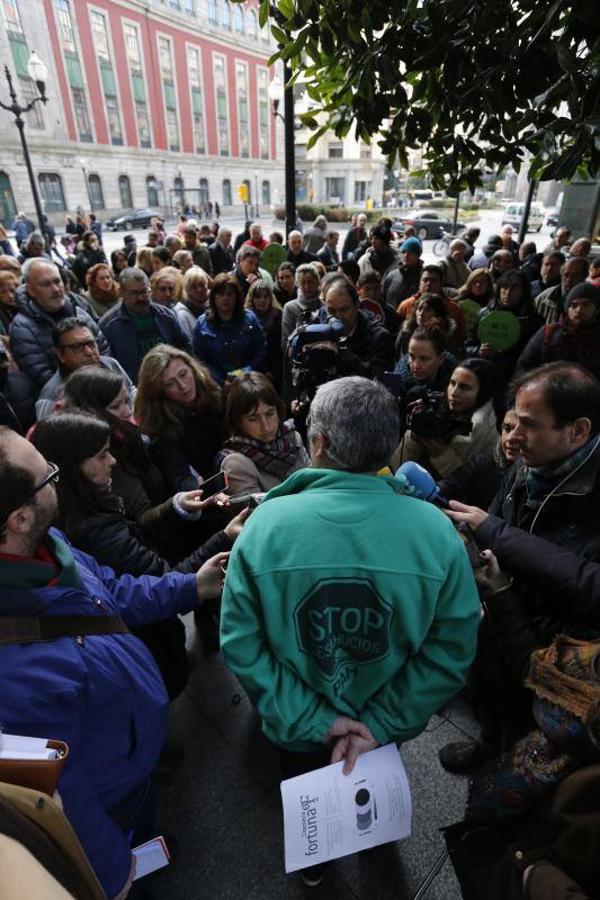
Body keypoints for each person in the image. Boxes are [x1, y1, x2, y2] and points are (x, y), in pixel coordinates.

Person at [220, 376, 480, 883]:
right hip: (382, 721)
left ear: (317, 444)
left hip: (296, 723)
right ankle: (374, 840)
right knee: (371, 785)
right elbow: (450, 652)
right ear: (388, 445)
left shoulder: (265, 528)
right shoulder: (436, 532)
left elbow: (241, 644)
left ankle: (316, 865)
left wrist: (313, 719)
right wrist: (381, 722)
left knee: (306, 792)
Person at [0, 425, 227, 898]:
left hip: (133, 759)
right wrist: (109, 872)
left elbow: (111, 591)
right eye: (49, 475)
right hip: (112, 793)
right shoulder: (12, 675)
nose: (56, 481)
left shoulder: (49, 545)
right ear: (20, 517)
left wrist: (190, 587)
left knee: (147, 832)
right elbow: (62, 795)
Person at [439, 361, 600, 773]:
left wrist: (494, 533)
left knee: (529, 750)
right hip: (497, 620)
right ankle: (487, 746)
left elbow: (590, 587)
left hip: (550, 655)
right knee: (486, 696)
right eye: (512, 422)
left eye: (528, 424)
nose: (514, 436)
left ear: (577, 431)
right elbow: (496, 518)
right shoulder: (531, 462)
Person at [30, 412, 244, 698]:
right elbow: (167, 580)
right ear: (73, 467)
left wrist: (174, 507)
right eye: (102, 455)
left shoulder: (82, 506)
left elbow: (135, 534)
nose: (113, 461)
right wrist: (225, 538)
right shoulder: (95, 532)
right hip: (150, 642)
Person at [134, 344, 226, 491]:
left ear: (192, 368)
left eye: (183, 374)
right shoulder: (162, 428)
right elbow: (178, 475)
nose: (183, 386)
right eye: (170, 383)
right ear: (158, 391)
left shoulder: (217, 394)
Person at [393, 357, 500, 478]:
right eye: (452, 383)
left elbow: (476, 483)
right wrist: (414, 438)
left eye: (464, 388)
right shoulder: (436, 407)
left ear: (483, 392)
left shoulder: (487, 431)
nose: (454, 393)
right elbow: (394, 468)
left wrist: (442, 455)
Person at [9, 259, 108, 389]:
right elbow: (42, 376)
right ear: (30, 290)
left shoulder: (79, 311)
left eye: (57, 281)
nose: (55, 289)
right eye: (46, 284)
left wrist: (106, 382)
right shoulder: (22, 328)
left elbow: (104, 350)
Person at [219, 372, 309, 496]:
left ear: (278, 410)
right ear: (238, 421)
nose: (266, 426)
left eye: (270, 414)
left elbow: (314, 484)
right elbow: (257, 513)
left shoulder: (293, 438)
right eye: (253, 418)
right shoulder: (236, 464)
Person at [99, 267, 193, 383]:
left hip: (170, 381)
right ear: (121, 292)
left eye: (144, 292)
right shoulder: (109, 325)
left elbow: (185, 345)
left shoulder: (166, 315)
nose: (140, 298)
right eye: (133, 293)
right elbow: (108, 365)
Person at [35, 318, 134, 421]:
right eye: (78, 347)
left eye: (91, 343)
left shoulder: (110, 364)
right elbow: (47, 434)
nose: (89, 352)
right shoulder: (51, 397)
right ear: (61, 355)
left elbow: (131, 393)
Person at [439, 406, 520, 510]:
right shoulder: (482, 464)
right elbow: (444, 490)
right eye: (507, 429)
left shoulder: (540, 485)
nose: (510, 438)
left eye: (519, 431)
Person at [469, 269, 543, 381]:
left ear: (524, 291)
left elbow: (533, 359)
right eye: (504, 287)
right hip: (483, 376)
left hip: (514, 379)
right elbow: (468, 345)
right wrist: (478, 350)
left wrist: (501, 357)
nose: (508, 292)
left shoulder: (533, 321)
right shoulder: (484, 314)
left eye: (514, 287)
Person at [193, 273, 266, 385]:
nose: (225, 298)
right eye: (221, 294)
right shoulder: (202, 324)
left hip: (248, 382)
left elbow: (261, 349)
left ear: (236, 297)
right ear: (213, 297)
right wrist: (220, 380)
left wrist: (247, 371)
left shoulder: (250, 318)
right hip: (216, 385)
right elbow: (200, 359)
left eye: (229, 294)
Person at [517, 282, 600, 380]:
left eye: (586, 305)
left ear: (597, 309)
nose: (579, 310)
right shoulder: (549, 333)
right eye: (574, 305)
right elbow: (523, 367)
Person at [318, 275, 395, 378]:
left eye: (344, 310)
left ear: (357, 305)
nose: (337, 317)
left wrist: (340, 354)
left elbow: (378, 380)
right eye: (331, 311)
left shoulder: (379, 338)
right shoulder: (320, 328)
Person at [396, 265, 467, 349]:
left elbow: (460, 340)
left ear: (441, 283)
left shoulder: (454, 308)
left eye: (434, 280)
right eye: (425, 280)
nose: (429, 284)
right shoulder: (406, 305)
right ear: (419, 282)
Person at [394, 327, 458, 403]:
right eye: (412, 356)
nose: (416, 366)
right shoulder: (399, 381)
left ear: (440, 359)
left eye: (424, 359)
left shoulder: (455, 374)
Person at [245, 280, 283, 390]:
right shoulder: (245, 318)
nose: (262, 300)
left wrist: (273, 372)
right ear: (252, 299)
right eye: (258, 297)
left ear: (271, 298)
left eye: (265, 296)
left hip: (274, 373)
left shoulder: (278, 317)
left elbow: (281, 349)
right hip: (251, 373)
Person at [396, 292, 459, 357]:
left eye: (427, 310)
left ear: (437, 315)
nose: (421, 313)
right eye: (419, 309)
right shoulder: (406, 330)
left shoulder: (445, 336)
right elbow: (398, 354)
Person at [534, 256, 588, 324]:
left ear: (585, 276)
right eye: (566, 275)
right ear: (561, 275)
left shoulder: (592, 300)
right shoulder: (544, 298)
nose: (569, 280)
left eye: (575, 275)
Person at [280, 263, 323, 348]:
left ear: (317, 283)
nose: (307, 287)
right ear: (298, 284)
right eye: (303, 283)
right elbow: (285, 343)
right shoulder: (290, 308)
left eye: (310, 282)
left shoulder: (324, 307)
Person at [382, 236, 424, 309]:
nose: (406, 256)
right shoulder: (391, 275)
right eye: (403, 252)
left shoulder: (422, 278)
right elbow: (382, 296)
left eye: (410, 253)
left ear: (417, 256)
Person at [174, 266, 211, 341]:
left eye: (202, 285)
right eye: (194, 287)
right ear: (187, 289)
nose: (199, 289)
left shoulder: (210, 305)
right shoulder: (182, 314)